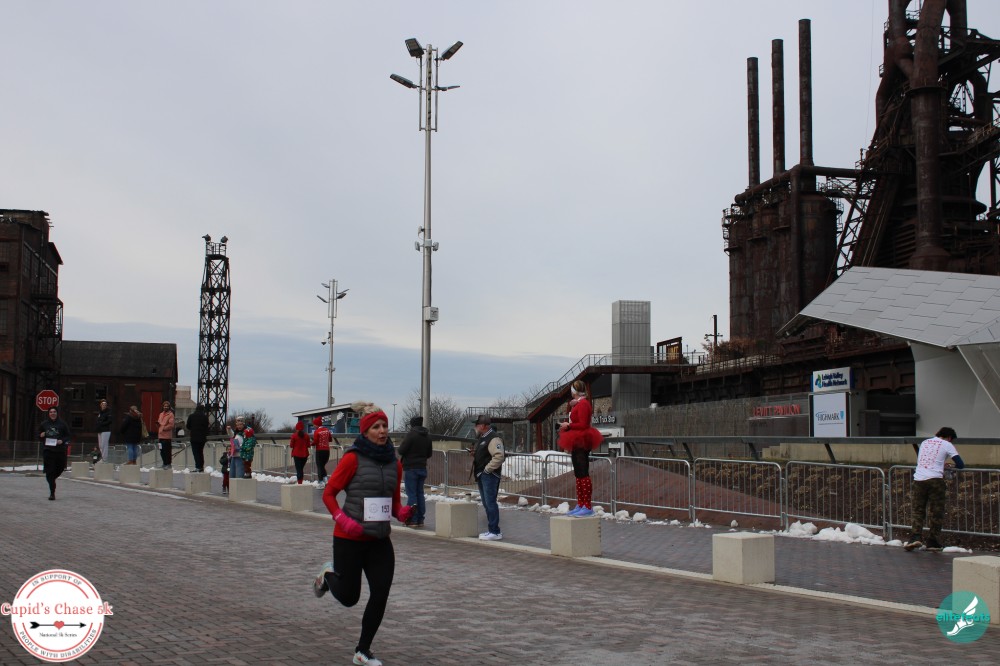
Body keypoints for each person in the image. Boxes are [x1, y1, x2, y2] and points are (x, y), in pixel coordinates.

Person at [313, 402, 413, 666]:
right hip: (349, 539)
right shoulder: (352, 459)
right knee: (349, 598)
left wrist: (402, 513)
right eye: (376, 427)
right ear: (365, 431)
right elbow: (329, 494)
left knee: (380, 593)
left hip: (379, 540)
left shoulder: (394, 464)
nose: (382, 431)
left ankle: (363, 650)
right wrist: (343, 520)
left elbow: (393, 502)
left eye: (385, 426)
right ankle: (328, 575)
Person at [904, 426, 965, 552]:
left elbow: (926, 459)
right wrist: (949, 466)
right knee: (936, 512)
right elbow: (960, 464)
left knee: (918, 510)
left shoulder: (925, 442)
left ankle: (915, 537)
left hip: (918, 479)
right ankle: (933, 541)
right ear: (949, 437)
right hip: (935, 480)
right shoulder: (947, 444)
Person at [557, 380, 605, 517]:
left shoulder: (583, 404)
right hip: (577, 439)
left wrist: (569, 426)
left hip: (581, 439)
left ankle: (587, 505)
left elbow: (583, 424)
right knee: (578, 473)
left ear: (575, 391)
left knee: (583, 472)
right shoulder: (578, 404)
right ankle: (581, 503)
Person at [471, 414, 505, 541]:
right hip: (483, 474)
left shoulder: (493, 438)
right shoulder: (483, 437)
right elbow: (487, 454)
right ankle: (492, 529)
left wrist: (487, 469)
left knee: (490, 503)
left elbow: (499, 456)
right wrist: (475, 454)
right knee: (487, 503)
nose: (475, 427)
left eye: (477, 424)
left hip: (489, 475)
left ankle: (494, 531)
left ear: (483, 426)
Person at [398, 415, 433, 527]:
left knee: (412, 494)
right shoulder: (427, 436)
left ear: (412, 424)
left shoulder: (411, 435)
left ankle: (412, 519)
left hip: (411, 468)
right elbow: (429, 454)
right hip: (422, 467)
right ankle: (420, 519)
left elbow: (401, 450)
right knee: (420, 494)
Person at [39, 407, 71, 500]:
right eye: (51, 412)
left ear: (57, 413)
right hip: (48, 451)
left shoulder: (62, 424)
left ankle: (51, 478)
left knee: (60, 468)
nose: (52, 413)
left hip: (60, 451)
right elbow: (38, 435)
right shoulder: (44, 424)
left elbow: (68, 436)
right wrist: (41, 435)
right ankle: (52, 493)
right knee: (50, 472)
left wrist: (62, 441)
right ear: (48, 413)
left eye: (54, 412)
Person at [186, 404, 210, 472]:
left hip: (194, 437)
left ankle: (198, 467)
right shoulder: (205, 417)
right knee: (200, 452)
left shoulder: (191, 416)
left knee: (196, 453)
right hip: (202, 438)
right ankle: (201, 467)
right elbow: (207, 426)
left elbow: (188, 426)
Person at [312, 416, 332, 483]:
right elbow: (330, 439)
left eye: (314, 424)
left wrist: (311, 444)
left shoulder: (317, 431)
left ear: (317, 425)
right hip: (327, 450)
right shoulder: (327, 430)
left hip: (319, 450)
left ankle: (321, 481)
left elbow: (315, 441)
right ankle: (325, 479)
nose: (313, 426)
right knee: (322, 466)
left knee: (319, 466)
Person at [157, 401, 175, 469]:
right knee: (161, 451)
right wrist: (158, 425)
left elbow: (171, 425)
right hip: (160, 436)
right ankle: (164, 463)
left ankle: (168, 464)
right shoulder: (161, 414)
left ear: (169, 407)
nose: (166, 407)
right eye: (165, 406)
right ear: (163, 407)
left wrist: (163, 428)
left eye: (167, 406)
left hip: (167, 437)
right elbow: (159, 422)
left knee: (167, 451)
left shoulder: (171, 415)